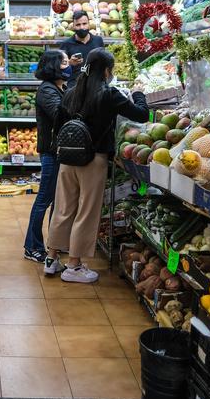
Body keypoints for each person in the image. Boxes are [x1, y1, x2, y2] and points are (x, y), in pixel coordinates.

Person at [44, 48, 149, 283]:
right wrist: (139, 93)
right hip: (93, 160)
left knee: (63, 208)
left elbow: (59, 124)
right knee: (86, 212)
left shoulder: (71, 92)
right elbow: (142, 115)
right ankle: (74, 266)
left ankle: (51, 259)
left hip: (67, 159)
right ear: (107, 71)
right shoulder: (109, 94)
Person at [23, 50, 69, 263]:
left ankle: (54, 243)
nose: (68, 66)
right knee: (44, 200)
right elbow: (59, 114)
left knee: (57, 201)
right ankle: (32, 246)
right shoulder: (47, 90)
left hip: (59, 151)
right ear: (53, 66)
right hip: (51, 152)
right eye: (65, 63)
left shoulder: (61, 87)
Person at [59, 11, 105, 89]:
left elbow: (104, 62)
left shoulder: (98, 41)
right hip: (74, 88)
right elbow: (59, 70)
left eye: (84, 24)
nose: (82, 28)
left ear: (89, 24)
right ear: (73, 26)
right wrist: (69, 63)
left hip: (95, 86)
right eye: (78, 25)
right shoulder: (66, 44)